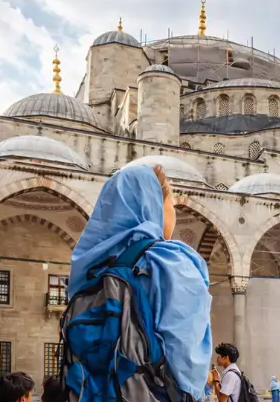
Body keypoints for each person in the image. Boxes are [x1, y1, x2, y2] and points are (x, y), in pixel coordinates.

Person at [66, 164, 212, 400]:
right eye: (171, 205)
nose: (173, 213)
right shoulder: (169, 261)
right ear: (153, 203)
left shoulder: (90, 268)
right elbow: (187, 360)